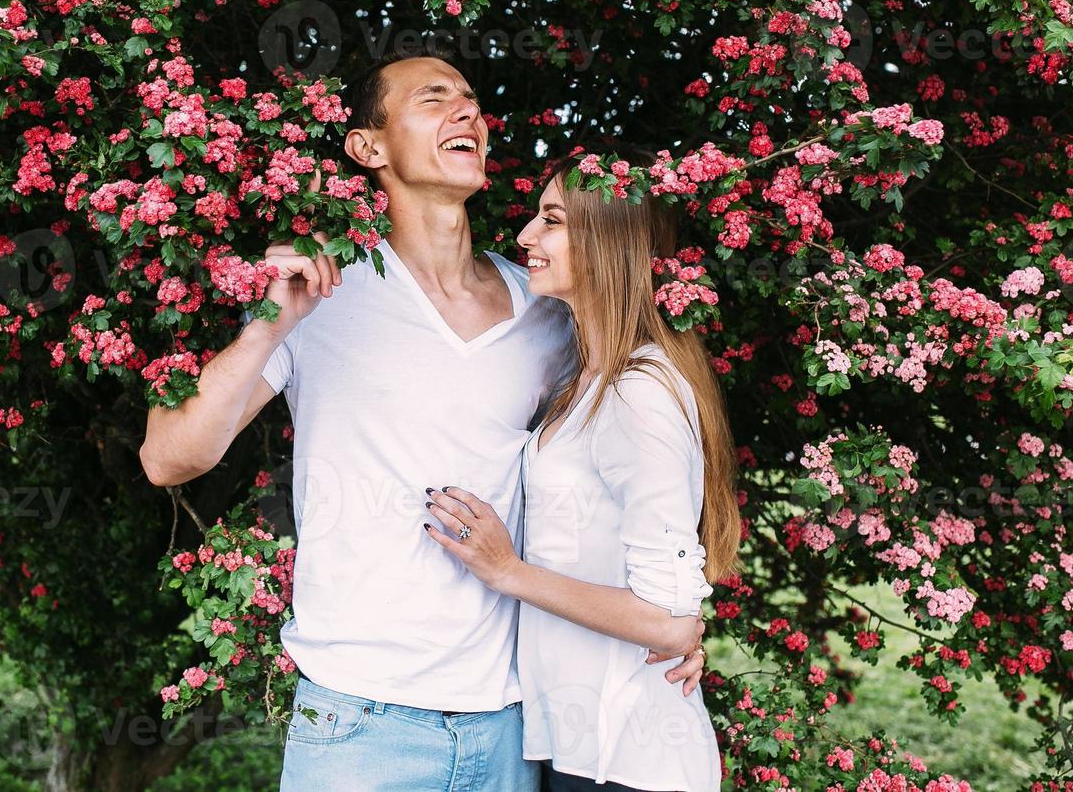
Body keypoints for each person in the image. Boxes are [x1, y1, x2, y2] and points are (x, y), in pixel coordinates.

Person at [140, 53, 706, 792]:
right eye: (434, 99)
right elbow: (167, 461)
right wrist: (265, 328)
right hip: (357, 723)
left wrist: (670, 624)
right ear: (368, 148)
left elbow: (635, 485)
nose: (466, 112)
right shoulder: (318, 294)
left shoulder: (547, 313)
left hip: (510, 724)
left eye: (471, 100)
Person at [424, 150, 741, 792]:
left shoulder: (640, 390)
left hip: (630, 756)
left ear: (610, 243)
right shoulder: (589, 377)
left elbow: (670, 621)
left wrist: (508, 572)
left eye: (553, 220)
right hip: (580, 746)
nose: (525, 237)